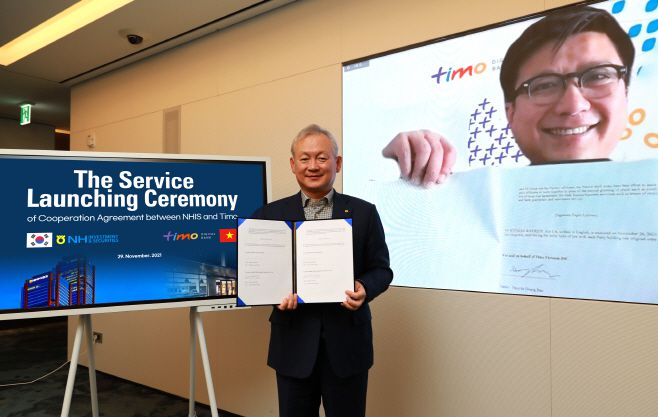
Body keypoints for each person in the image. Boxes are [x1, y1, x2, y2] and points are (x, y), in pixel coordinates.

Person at [382, 5, 635, 185]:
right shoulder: (474, 205)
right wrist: (403, 168)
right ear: (510, 112)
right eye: (544, 85)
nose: (573, 104)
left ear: (625, 92)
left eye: (598, 76)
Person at [253, 124, 393, 417]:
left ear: (337, 163)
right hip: (292, 345)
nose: (313, 166)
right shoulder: (269, 215)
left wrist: (364, 288)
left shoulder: (364, 213)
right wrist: (273, 294)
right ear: (293, 165)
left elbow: (381, 269)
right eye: (304, 158)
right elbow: (257, 271)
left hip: (348, 347)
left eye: (321, 157)